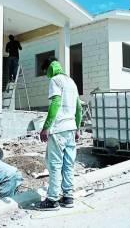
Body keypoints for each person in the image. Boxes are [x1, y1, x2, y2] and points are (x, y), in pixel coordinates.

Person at [35, 57, 82, 211]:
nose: (46, 74)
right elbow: (79, 108)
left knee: (55, 165)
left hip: (59, 129)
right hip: (70, 128)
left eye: (45, 70)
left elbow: (55, 103)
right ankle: (68, 197)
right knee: (68, 164)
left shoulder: (55, 80)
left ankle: (52, 199)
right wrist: (77, 128)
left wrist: (46, 127)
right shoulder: (71, 82)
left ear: (49, 68)